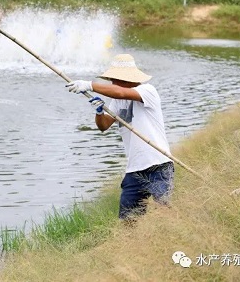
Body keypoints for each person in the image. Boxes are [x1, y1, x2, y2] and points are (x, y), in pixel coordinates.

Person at [66, 54, 174, 221]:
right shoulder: (116, 101)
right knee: (128, 219)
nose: (112, 83)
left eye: (115, 79)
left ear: (127, 78)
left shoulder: (147, 91)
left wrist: (89, 85)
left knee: (165, 212)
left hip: (158, 164)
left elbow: (121, 93)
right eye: (111, 79)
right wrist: (99, 112)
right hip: (134, 169)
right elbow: (103, 126)